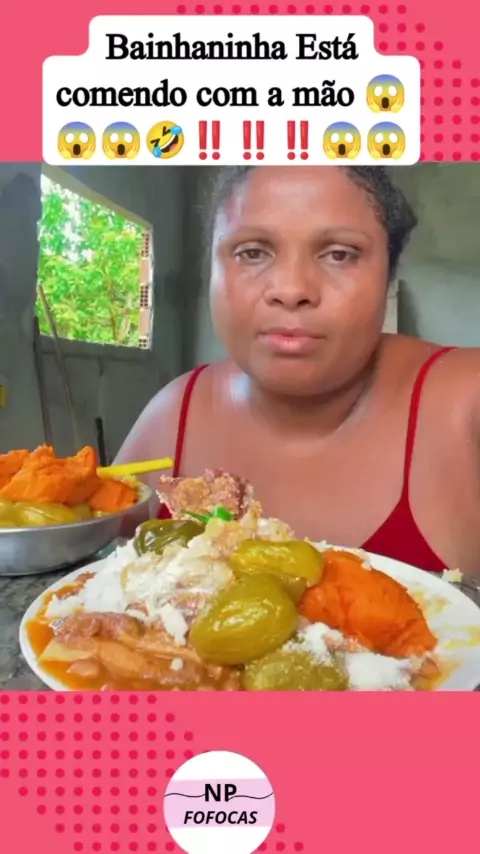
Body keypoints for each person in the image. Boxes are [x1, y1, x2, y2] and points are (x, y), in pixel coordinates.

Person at [116, 165, 480, 578]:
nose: (291, 290)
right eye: (252, 252)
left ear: (388, 275)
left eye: (340, 254)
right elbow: (86, 571)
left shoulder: (466, 401)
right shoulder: (171, 415)